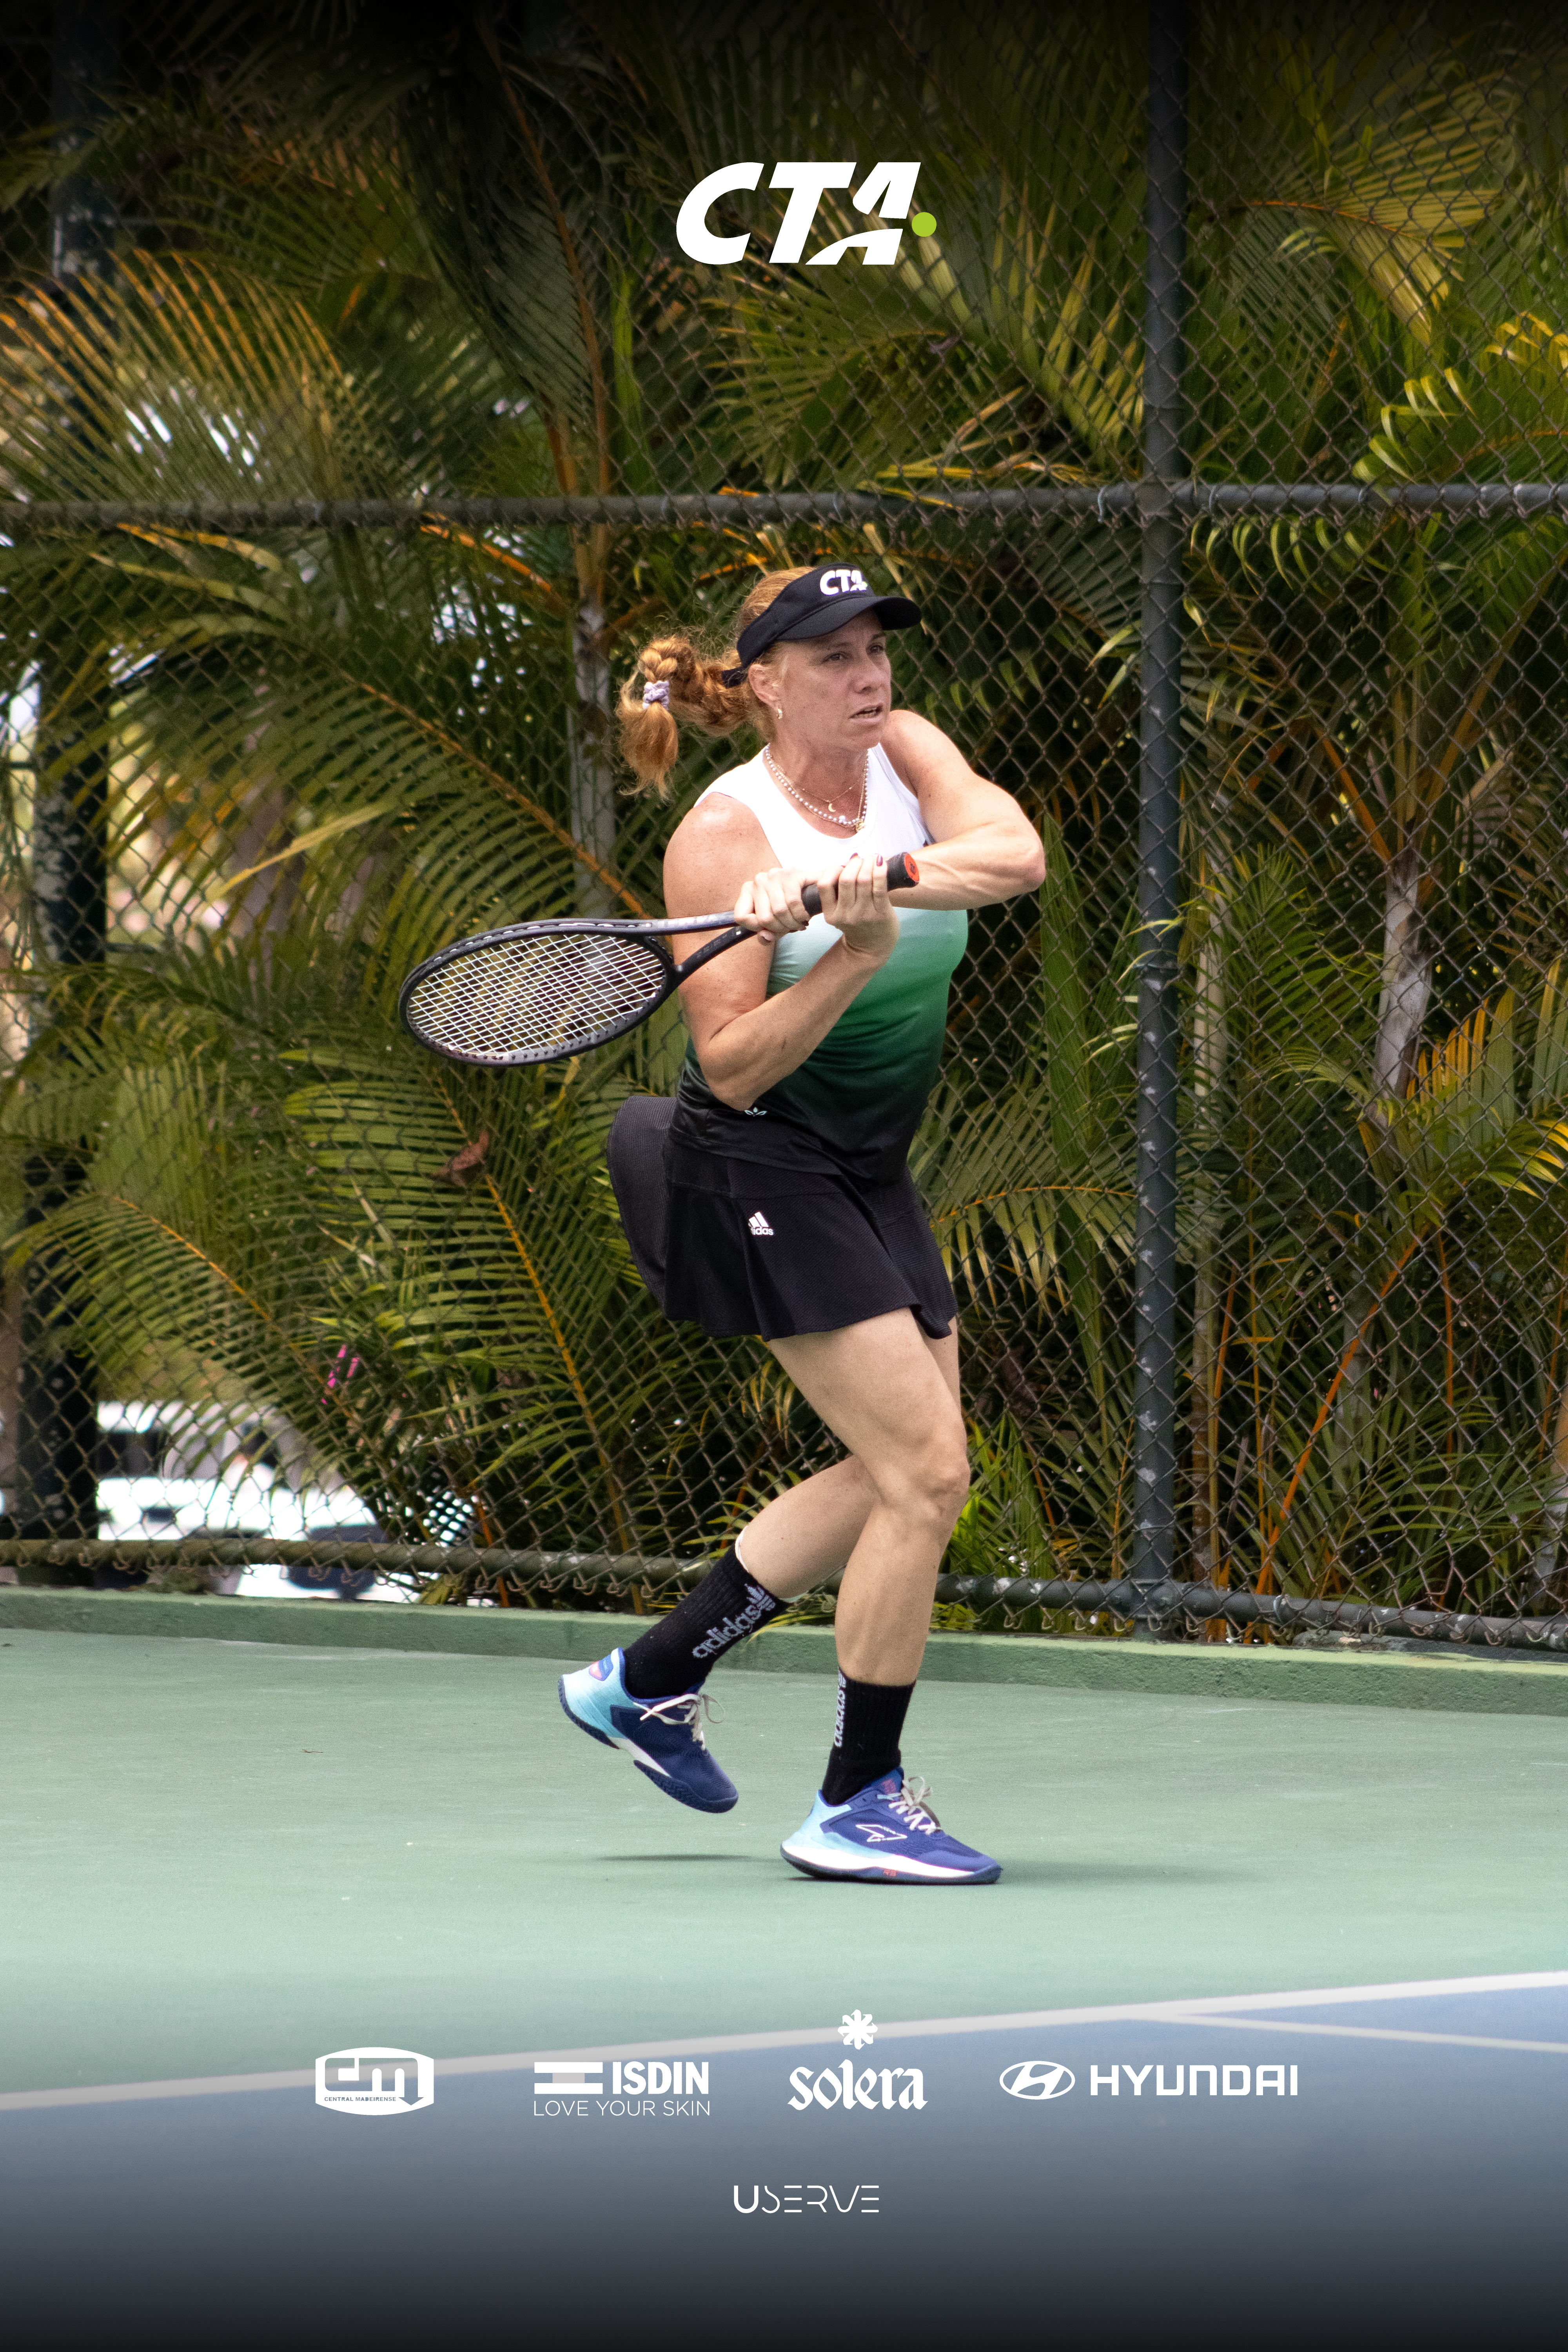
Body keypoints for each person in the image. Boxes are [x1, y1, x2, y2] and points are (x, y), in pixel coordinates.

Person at [558, 563, 1044, 1883]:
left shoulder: (909, 754)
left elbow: (1014, 856)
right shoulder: (724, 837)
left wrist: (857, 881)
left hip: (870, 1165)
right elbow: (731, 1070)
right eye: (833, 657)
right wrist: (855, 952)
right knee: (926, 1475)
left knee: (905, 1469)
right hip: (756, 1162)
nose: (868, 675)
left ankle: (648, 1679)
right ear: (768, 683)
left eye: (876, 647)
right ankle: (856, 1801)